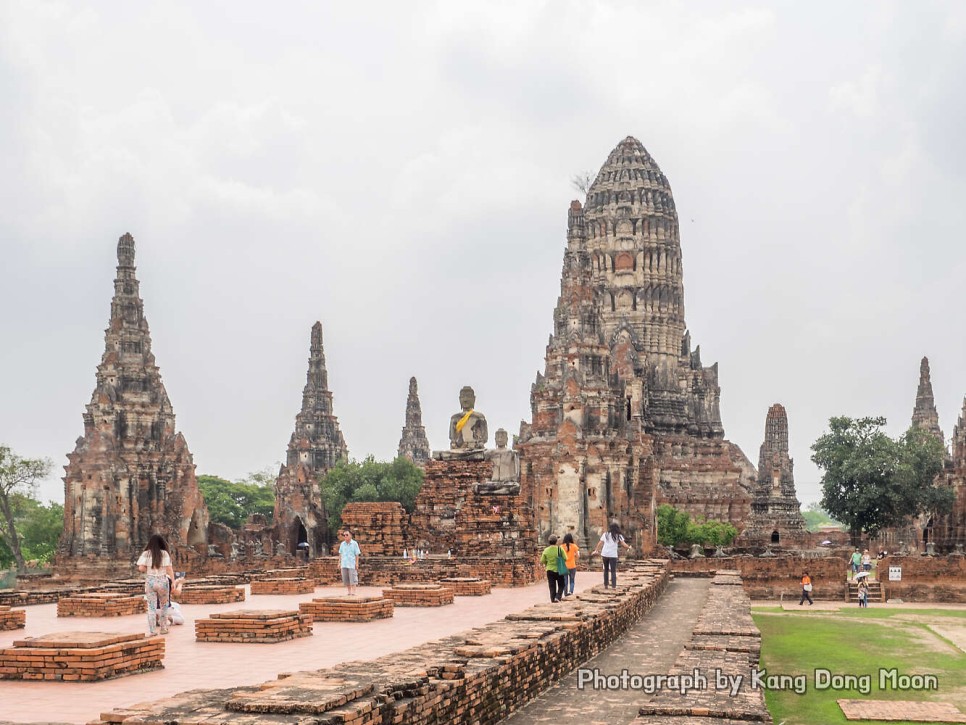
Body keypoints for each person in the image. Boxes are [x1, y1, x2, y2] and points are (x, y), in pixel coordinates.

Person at [137, 534, 174, 635]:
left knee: (151, 607)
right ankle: (163, 628)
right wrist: (173, 582)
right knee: (164, 606)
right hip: (162, 580)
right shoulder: (164, 553)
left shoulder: (146, 553)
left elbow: (140, 568)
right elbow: (169, 568)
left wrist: (150, 568)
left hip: (150, 581)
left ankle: (152, 631)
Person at [591, 522, 632, 588]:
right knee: (613, 570)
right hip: (613, 555)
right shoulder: (618, 535)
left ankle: (606, 584)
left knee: (606, 570)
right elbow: (623, 544)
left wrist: (596, 550)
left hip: (605, 554)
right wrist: (628, 547)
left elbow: (600, 543)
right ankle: (613, 585)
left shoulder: (606, 534)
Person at [539, 535, 566, 603]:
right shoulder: (560, 549)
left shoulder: (546, 550)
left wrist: (548, 563)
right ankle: (558, 596)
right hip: (559, 569)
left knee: (552, 586)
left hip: (550, 570)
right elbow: (565, 558)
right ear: (556, 542)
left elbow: (542, 561)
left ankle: (553, 599)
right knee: (561, 584)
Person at [338, 529, 362, 595]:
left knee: (353, 578)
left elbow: (357, 554)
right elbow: (340, 553)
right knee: (346, 578)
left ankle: (353, 591)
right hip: (344, 563)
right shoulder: (342, 544)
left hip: (351, 563)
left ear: (351, 536)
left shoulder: (354, 544)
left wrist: (357, 563)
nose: (345, 536)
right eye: (344, 535)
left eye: (347, 535)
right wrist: (339, 562)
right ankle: (349, 591)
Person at [561, 533, 579, 597]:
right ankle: (571, 591)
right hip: (572, 565)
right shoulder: (574, 546)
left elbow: (560, 557)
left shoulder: (561, 547)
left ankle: (565, 593)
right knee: (572, 580)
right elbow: (578, 555)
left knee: (565, 581)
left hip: (564, 566)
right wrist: (574, 558)